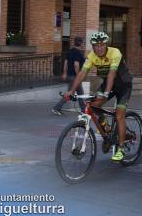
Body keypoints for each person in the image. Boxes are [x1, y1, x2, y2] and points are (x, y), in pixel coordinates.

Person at [65, 32, 133, 162]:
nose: (99, 48)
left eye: (102, 45)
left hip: (124, 85)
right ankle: (106, 129)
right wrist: (71, 91)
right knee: (94, 106)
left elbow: (112, 74)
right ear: (93, 47)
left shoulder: (115, 53)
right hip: (108, 83)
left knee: (119, 116)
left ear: (106, 45)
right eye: (96, 46)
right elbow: (81, 74)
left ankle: (121, 148)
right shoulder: (91, 56)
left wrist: (106, 93)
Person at [52, 36, 85, 115]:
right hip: (74, 77)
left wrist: (64, 73)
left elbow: (66, 62)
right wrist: (78, 76)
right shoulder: (78, 52)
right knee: (71, 94)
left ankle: (83, 110)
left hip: (69, 76)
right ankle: (56, 108)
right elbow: (76, 64)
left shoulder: (70, 51)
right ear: (81, 43)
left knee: (80, 93)